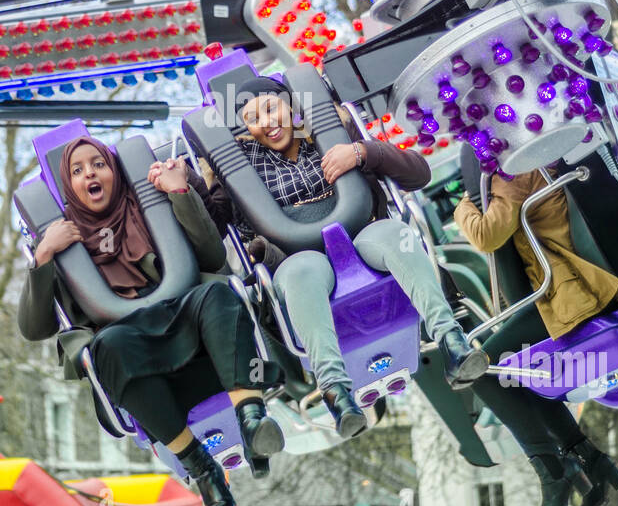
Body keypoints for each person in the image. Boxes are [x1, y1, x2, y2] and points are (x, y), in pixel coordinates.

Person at [16, 136, 282, 506]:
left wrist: (180, 194)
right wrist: (42, 256)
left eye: (98, 164)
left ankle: (253, 419)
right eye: (77, 170)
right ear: (68, 187)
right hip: (145, 377)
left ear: (115, 172)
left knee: (218, 295)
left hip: (208, 351)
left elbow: (211, 254)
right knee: (108, 344)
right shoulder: (64, 244)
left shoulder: (148, 208)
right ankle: (203, 471)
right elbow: (33, 328)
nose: (89, 173)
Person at [205, 75, 487, 439]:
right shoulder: (241, 169)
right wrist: (195, 185)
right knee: (301, 274)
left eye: (272, 108)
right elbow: (213, 230)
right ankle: (337, 392)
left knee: (396, 234)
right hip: (298, 257)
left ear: (290, 105)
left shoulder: (330, 133)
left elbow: (419, 173)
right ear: (246, 129)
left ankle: (452, 340)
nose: (267, 122)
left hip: (362, 237)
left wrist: (363, 152)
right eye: (253, 118)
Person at [454, 164, 618, 506]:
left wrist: (463, 207)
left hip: (565, 293)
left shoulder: (513, 171)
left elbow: (486, 236)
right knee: (516, 371)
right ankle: (590, 464)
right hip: (563, 289)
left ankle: (554, 470)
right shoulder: (532, 161)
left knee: (482, 371)